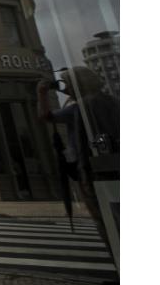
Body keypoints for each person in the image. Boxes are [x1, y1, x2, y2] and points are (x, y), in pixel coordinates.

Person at [38, 66, 119, 256]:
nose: (65, 88)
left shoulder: (82, 106)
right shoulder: (113, 102)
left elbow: (45, 116)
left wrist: (41, 93)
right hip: (113, 167)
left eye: (67, 84)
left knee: (105, 220)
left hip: (93, 171)